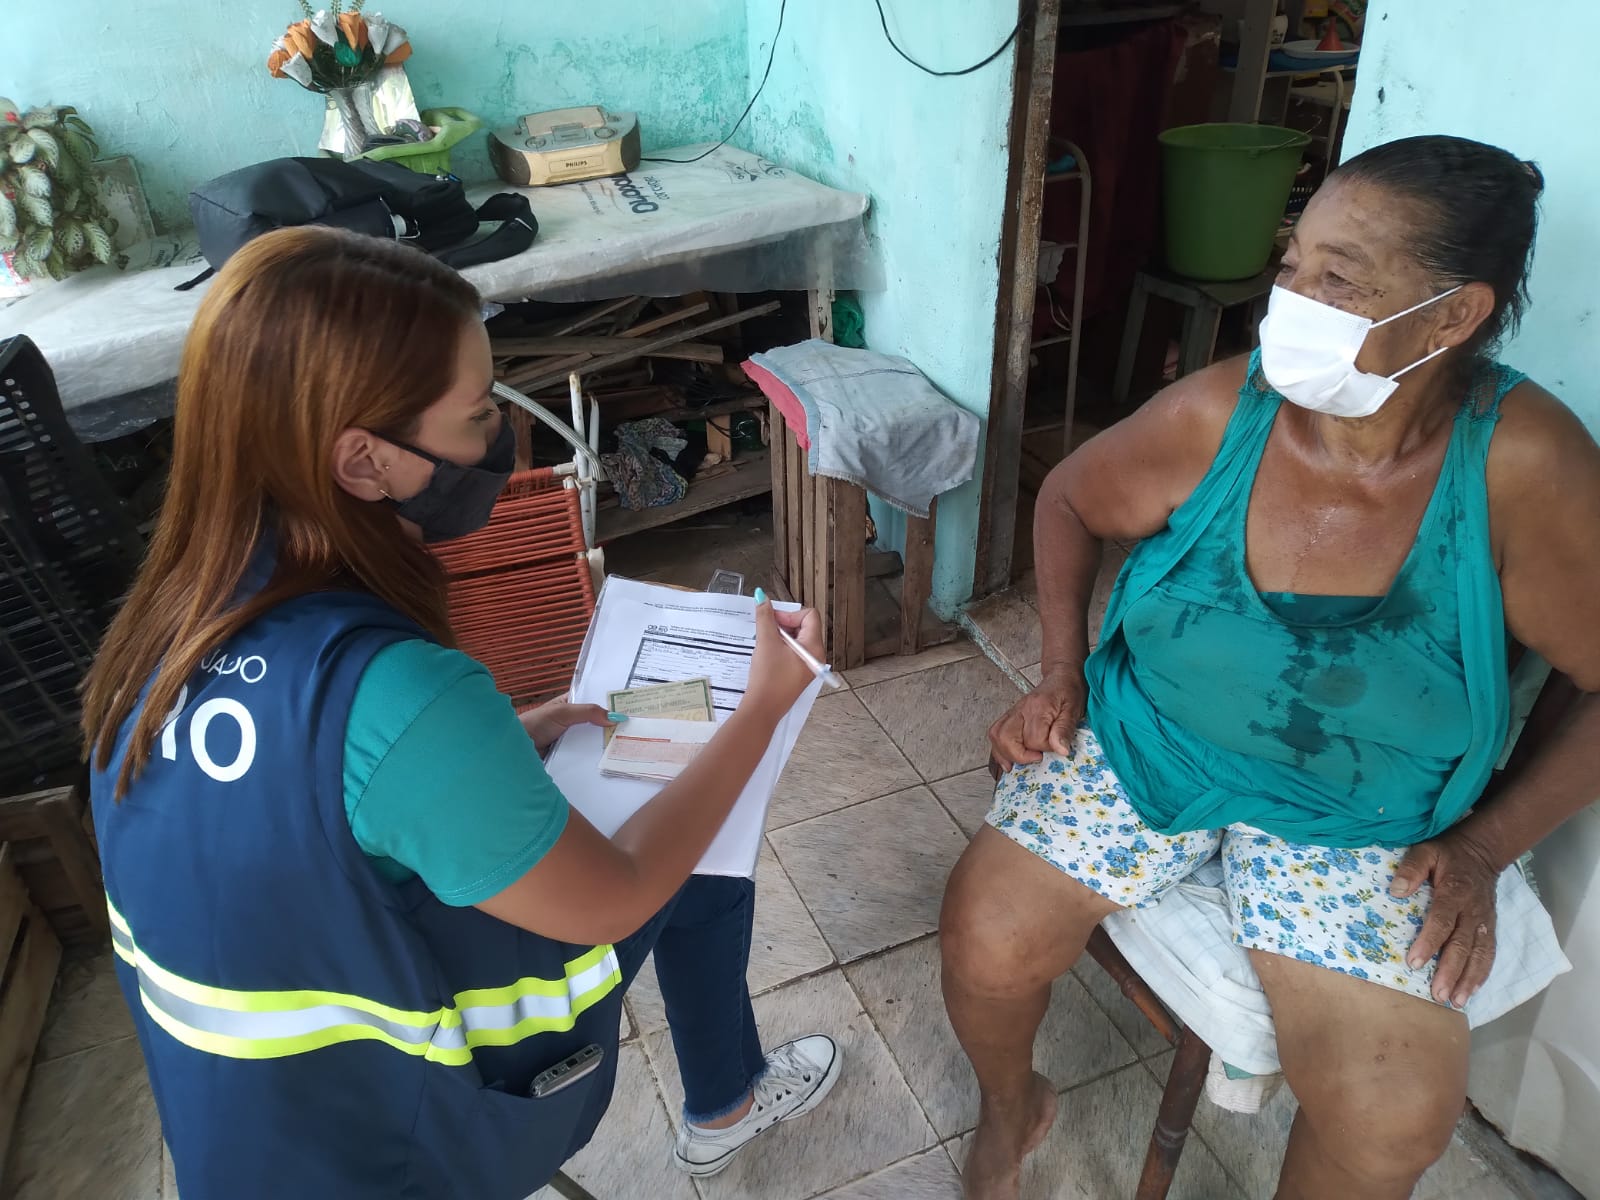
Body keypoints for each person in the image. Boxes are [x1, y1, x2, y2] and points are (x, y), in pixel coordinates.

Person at [82, 227, 840, 1200]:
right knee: (694, 867)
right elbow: (618, 894)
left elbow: (308, 805)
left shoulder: (164, 627)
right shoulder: (400, 694)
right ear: (363, 461)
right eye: (478, 412)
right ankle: (724, 1108)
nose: (500, 437)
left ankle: (726, 1104)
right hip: (400, 1154)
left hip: (250, 1140)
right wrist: (762, 709)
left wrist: (512, 734)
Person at [941, 134, 1600, 1200]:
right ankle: (1012, 1106)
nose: (1286, 302)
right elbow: (1065, 495)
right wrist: (1060, 673)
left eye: (1338, 281)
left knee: (1389, 1122)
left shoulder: (1523, 467)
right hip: (1151, 735)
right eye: (1292, 266)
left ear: (1451, 316)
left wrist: (1483, 847)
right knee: (985, 938)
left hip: (1363, 810)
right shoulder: (1220, 412)